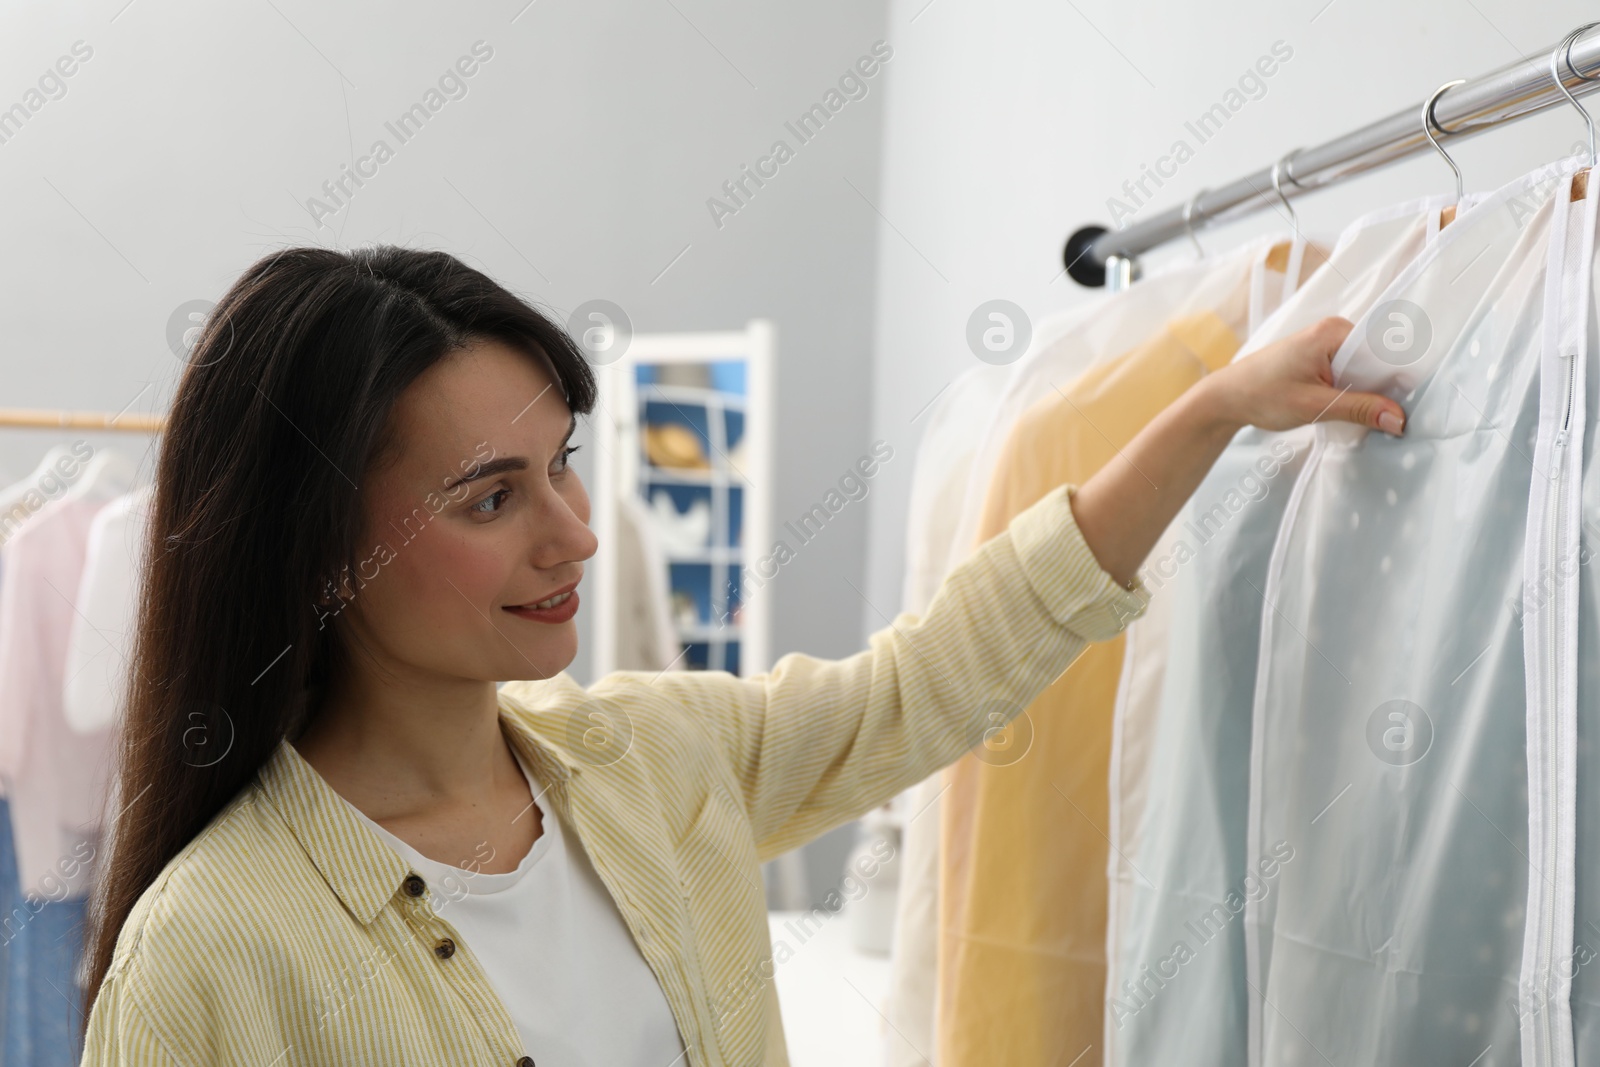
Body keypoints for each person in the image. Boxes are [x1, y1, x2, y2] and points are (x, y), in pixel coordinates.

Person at [75, 245, 1403, 1066]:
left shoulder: (658, 762)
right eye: (493, 500)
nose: (576, 537)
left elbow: (938, 670)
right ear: (318, 553)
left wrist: (1214, 409)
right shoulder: (210, 952)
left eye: (563, 472)